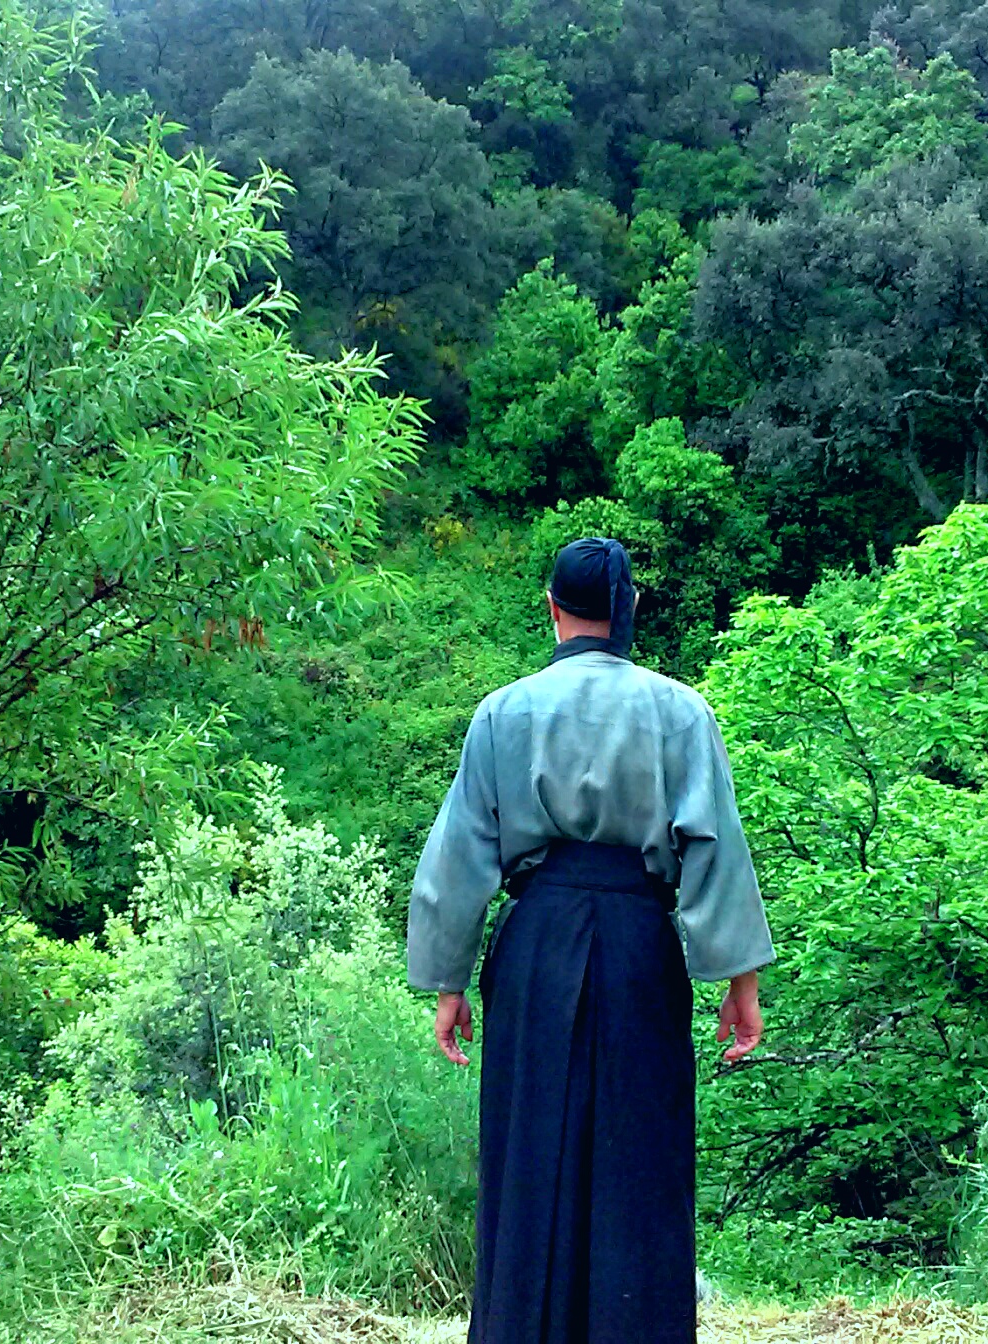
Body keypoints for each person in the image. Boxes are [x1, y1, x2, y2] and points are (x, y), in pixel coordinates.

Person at [407, 536, 774, 1344]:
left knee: (529, 1153)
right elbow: (713, 847)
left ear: (552, 609)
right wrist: (738, 983)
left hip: (534, 941)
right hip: (641, 940)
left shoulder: (503, 712)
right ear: (629, 609)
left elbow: (459, 855)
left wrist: (448, 982)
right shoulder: (681, 710)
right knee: (641, 1158)